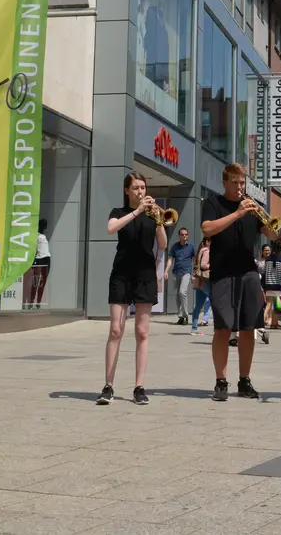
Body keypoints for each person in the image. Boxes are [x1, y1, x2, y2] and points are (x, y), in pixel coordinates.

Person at [201, 162, 280, 401]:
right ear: (224, 182)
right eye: (234, 182)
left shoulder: (252, 207)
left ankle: (244, 380)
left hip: (248, 273)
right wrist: (236, 214)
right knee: (223, 328)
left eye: (242, 183)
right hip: (223, 273)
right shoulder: (213, 203)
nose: (238, 187)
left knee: (249, 327)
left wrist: (265, 219)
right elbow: (207, 229)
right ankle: (221, 381)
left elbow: (273, 234)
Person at [99, 172, 166, 406]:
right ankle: (108, 386)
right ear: (127, 190)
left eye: (143, 188)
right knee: (116, 330)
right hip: (122, 273)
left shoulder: (152, 214)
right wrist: (137, 211)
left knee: (142, 332)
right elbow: (110, 229)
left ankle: (139, 386)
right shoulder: (119, 212)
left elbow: (163, 244)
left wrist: (158, 220)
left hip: (145, 274)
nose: (141, 192)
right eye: (136, 188)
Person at [165, 227, 197, 325]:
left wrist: (194, 274)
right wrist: (166, 271)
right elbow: (170, 260)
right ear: (179, 235)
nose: (184, 236)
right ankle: (181, 317)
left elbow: (195, 260)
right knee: (177, 295)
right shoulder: (175, 246)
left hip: (186, 272)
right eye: (182, 234)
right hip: (176, 272)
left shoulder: (191, 246)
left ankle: (186, 316)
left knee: (182, 292)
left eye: (186, 234)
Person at [27, 218, 51, 309]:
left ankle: (38, 302)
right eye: (44, 224)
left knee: (43, 281)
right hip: (38, 258)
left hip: (46, 258)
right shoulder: (35, 235)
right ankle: (31, 301)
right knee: (36, 281)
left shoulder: (44, 236)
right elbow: (33, 248)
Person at [190, 237, 212, 335]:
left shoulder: (200, 251)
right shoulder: (207, 251)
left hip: (200, 280)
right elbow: (203, 265)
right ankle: (219, 329)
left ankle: (194, 328)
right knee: (215, 303)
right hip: (206, 280)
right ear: (207, 242)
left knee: (198, 305)